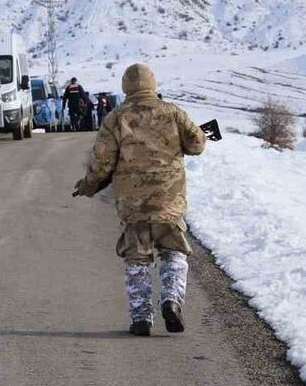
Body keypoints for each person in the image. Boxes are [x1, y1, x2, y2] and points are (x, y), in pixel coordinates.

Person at [72, 63, 207, 336]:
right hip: (169, 200)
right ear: (153, 84)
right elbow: (197, 144)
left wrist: (88, 185)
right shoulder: (173, 112)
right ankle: (171, 300)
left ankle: (141, 317)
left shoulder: (115, 118)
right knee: (174, 252)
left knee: (137, 259)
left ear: (125, 87)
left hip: (133, 205)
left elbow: (102, 162)